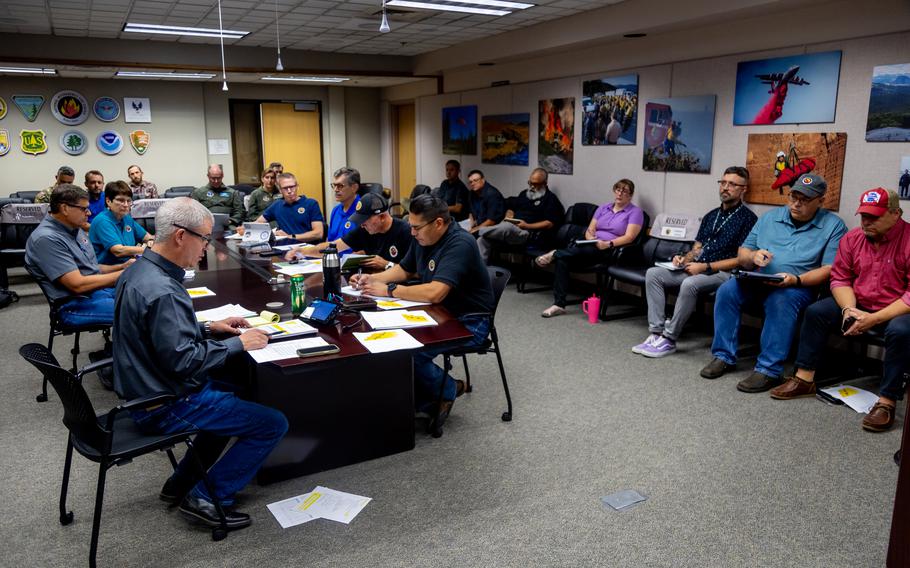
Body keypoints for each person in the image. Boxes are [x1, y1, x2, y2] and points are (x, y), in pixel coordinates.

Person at [113, 197, 287, 530]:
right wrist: (239, 342)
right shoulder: (164, 289)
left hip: (144, 389)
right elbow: (184, 362)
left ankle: (180, 483)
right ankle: (206, 497)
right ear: (180, 236)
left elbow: (154, 333)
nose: (206, 247)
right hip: (165, 401)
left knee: (235, 397)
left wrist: (207, 328)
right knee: (272, 423)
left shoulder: (139, 271)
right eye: (204, 239)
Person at [769, 189, 910, 432]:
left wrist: (874, 318)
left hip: (898, 308)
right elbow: (841, 278)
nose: (866, 222)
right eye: (863, 215)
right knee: (816, 312)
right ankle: (805, 379)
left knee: (900, 332)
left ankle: (887, 401)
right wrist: (848, 309)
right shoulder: (853, 238)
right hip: (859, 301)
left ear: (896, 214)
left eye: (874, 217)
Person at [349, 195, 494, 427]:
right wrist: (371, 278)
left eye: (416, 228)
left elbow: (435, 292)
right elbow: (404, 270)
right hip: (438, 313)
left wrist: (389, 290)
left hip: (468, 322)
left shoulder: (460, 243)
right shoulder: (423, 238)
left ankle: (445, 391)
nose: (412, 233)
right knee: (389, 340)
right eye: (411, 227)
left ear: (438, 223)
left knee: (410, 351)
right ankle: (422, 396)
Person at [700, 173, 848, 392]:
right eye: (793, 197)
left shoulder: (833, 225)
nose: (796, 204)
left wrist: (795, 279)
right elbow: (744, 252)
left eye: (805, 199)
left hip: (798, 286)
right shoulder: (770, 217)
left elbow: (829, 269)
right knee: (727, 291)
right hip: (760, 278)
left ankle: (769, 370)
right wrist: (752, 257)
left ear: (821, 201)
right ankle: (723, 355)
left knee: (781, 299)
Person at [633, 167, 758, 357]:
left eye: (732, 184)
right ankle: (656, 332)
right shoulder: (711, 216)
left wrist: (705, 266)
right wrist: (684, 258)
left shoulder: (748, 219)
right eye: (723, 183)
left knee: (690, 284)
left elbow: (742, 259)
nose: (725, 188)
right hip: (698, 267)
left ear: (744, 189)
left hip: (724, 274)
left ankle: (669, 338)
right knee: (653, 274)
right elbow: (697, 248)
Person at [24, 184, 131, 327]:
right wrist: (125, 273)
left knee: (145, 298)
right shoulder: (46, 239)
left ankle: (123, 347)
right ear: (65, 208)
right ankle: (123, 349)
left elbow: (91, 268)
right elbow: (77, 285)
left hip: (94, 292)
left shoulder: (74, 227)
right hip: (73, 305)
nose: (88, 213)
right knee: (138, 311)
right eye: (83, 209)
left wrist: (122, 267)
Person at [536, 179, 643, 318]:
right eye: (618, 189)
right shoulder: (603, 208)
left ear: (631, 195)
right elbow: (590, 229)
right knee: (563, 260)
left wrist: (608, 243)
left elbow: (630, 237)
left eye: (624, 191)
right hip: (591, 245)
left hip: (610, 249)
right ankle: (559, 304)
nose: (620, 193)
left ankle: (555, 253)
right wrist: (590, 238)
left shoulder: (635, 212)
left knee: (564, 255)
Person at [284, 193, 412, 270]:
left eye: (365, 220)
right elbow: (333, 246)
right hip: (371, 283)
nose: (362, 224)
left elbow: (417, 273)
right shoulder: (365, 230)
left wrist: (387, 264)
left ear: (382, 217)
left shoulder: (406, 232)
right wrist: (301, 251)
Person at [475, 167, 565, 264]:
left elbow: (549, 223)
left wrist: (526, 225)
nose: (532, 187)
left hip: (526, 233)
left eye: (536, 184)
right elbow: (511, 205)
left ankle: (476, 232)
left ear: (545, 183)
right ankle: (481, 272)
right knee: (482, 240)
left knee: (506, 227)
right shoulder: (524, 194)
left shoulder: (550, 199)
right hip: (510, 228)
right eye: (530, 183)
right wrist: (509, 214)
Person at [89, 180, 155, 265]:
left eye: (129, 201)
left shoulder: (126, 218)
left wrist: (152, 242)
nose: (126, 205)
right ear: (108, 201)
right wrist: (151, 249)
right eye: (121, 200)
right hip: (109, 270)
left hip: (129, 264)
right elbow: (118, 251)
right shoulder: (102, 221)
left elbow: (147, 237)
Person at [252, 172, 324, 241]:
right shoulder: (277, 205)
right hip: (285, 247)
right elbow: (258, 222)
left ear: (297, 187)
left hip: (307, 247)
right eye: (285, 188)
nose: (289, 191)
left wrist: (291, 237)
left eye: (292, 187)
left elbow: (318, 233)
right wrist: (245, 228)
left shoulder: (311, 204)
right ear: (280, 190)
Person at [191, 164, 244, 230]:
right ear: (208, 176)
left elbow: (239, 212)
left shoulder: (233, 193)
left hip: (228, 226)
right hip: (205, 227)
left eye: (218, 178)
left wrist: (231, 221)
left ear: (222, 176)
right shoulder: (198, 192)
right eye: (213, 178)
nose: (216, 181)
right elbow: (193, 213)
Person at [327, 166, 362, 242]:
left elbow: (368, 248)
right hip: (334, 253)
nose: (335, 190)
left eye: (340, 186)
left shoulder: (363, 211)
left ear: (354, 188)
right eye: (334, 185)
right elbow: (329, 240)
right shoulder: (335, 210)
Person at [465, 169, 505, 234]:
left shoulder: (492, 194)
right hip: (479, 225)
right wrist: (470, 225)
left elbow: (491, 221)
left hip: (492, 228)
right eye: (470, 182)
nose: (473, 184)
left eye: (475, 180)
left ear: (483, 180)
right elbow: (471, 212)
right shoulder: (471, 193)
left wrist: (474, 230)